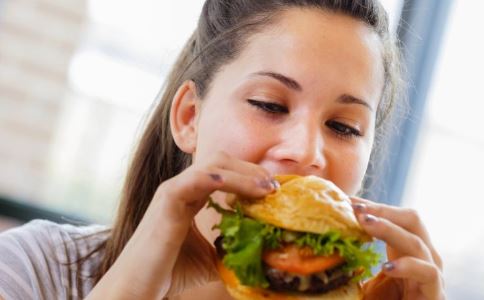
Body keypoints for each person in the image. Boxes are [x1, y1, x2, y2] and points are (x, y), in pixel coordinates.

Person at [0, 0, 445, 299]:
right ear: (190, 117)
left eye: (344, 127)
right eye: (270, 104)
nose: (307, 152)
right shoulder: (34, 268)